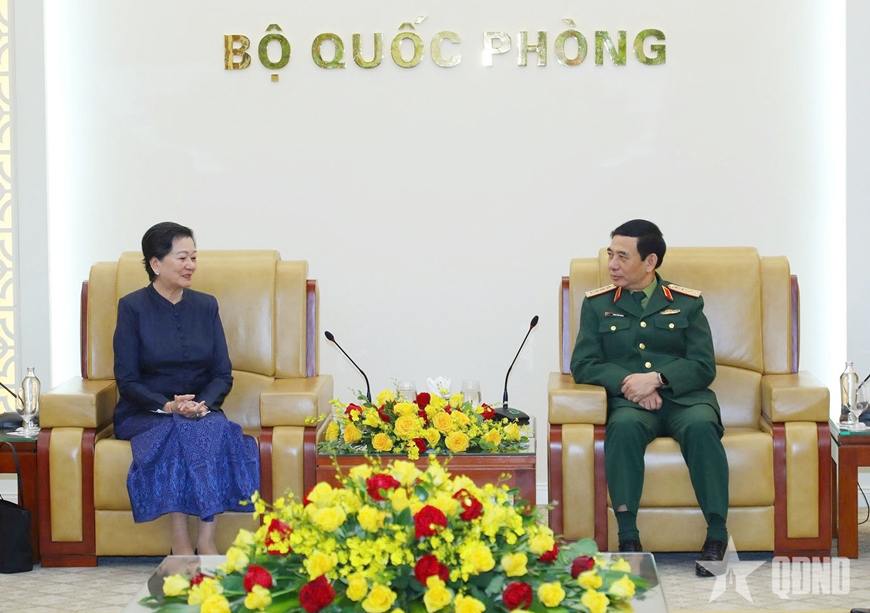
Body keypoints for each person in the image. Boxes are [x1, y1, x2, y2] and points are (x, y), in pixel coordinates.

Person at [570, 219, 728, 577]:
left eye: (622, 257)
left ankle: (717, 537)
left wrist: (657, 380)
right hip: (631, 403)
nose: (612, 264)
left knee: (702, 426)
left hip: (685, 400)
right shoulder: (597, 304)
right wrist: (631, 384)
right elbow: (583, 364)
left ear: (650, 262)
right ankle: (628, 539)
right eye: (610, 254)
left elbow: (703, 365)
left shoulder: (687, 303)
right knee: (623, 428)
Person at [112, 221, 259, 555]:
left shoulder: (206, 306)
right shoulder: (132, 308)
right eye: (182, 258)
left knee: (213, 429)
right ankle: (180, 542)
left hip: (201, 410)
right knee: (178, 430)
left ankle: (206, 541)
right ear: (155, 264)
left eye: (193, 257)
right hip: (146, 412)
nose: (190, 265)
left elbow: (222, 373)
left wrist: (202, 404)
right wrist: (169, 406)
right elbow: (127, 381)